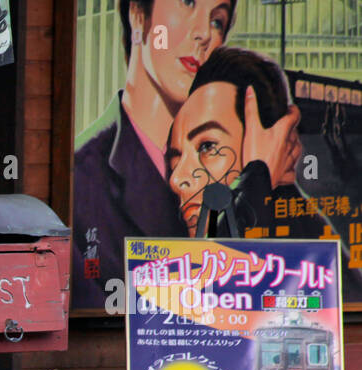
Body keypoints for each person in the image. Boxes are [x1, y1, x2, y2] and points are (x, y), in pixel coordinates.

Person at [73, 0, 237, 311]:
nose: (203, 33)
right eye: (187, 3)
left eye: (217, 21)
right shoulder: (82, 179)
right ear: (137, 14)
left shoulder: (233, 167)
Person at [166, 46, 316, 239]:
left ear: (271, 147)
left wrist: (256, 175)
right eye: (176, 158)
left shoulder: (317, 257)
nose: (176, 179)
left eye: (207, 146)